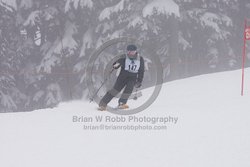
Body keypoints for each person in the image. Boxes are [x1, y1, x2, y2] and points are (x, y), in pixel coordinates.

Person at [98, 44, 145, 111]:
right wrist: (116, 65)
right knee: (115, 90)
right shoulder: (124, 57)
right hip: (123, 76)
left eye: (132, 52)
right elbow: (117, 64)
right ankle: (103, 104)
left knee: (129, 89)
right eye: (129, 52)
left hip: (133, 77)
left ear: (135, 51)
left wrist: (139, 81)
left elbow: (141, 70)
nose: (130, 53)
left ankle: (122, 103)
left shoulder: (140, 59)